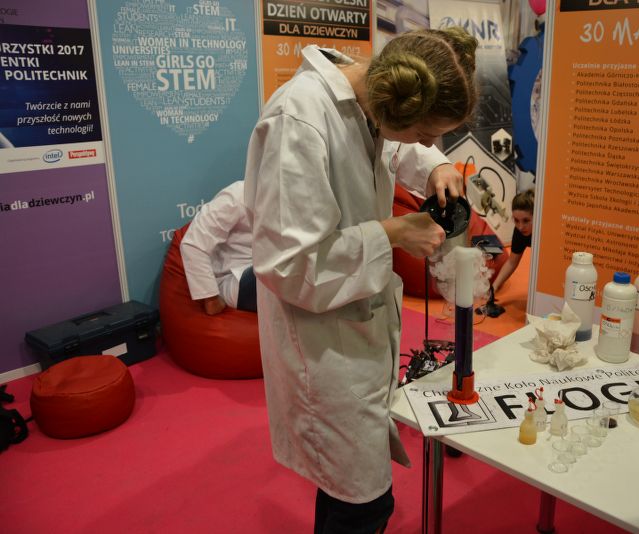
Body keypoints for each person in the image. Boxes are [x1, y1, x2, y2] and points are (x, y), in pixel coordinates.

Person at [243, 27, 478, 533]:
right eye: (426, 134)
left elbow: (392, 148)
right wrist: (392, 233)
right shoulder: (298, 120)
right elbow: (288, 265)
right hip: (320, 343)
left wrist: (436, 166)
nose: (428, 144)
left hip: (360, 327)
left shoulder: (369, 99)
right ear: (398, 109)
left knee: (346, 492)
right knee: (363, 503)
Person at [179, 180, 256, 315]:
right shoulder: (239, 194)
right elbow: (192, 244)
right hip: (236, 279)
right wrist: (211, 299)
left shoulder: (290, 199)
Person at [492, 188, 535, 294]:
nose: (520, 227)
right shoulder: (519, 232)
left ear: (537, 216)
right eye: (516, 220)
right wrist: (494, 287)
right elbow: (512, 262)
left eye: (526, 221)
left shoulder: (547, 233)